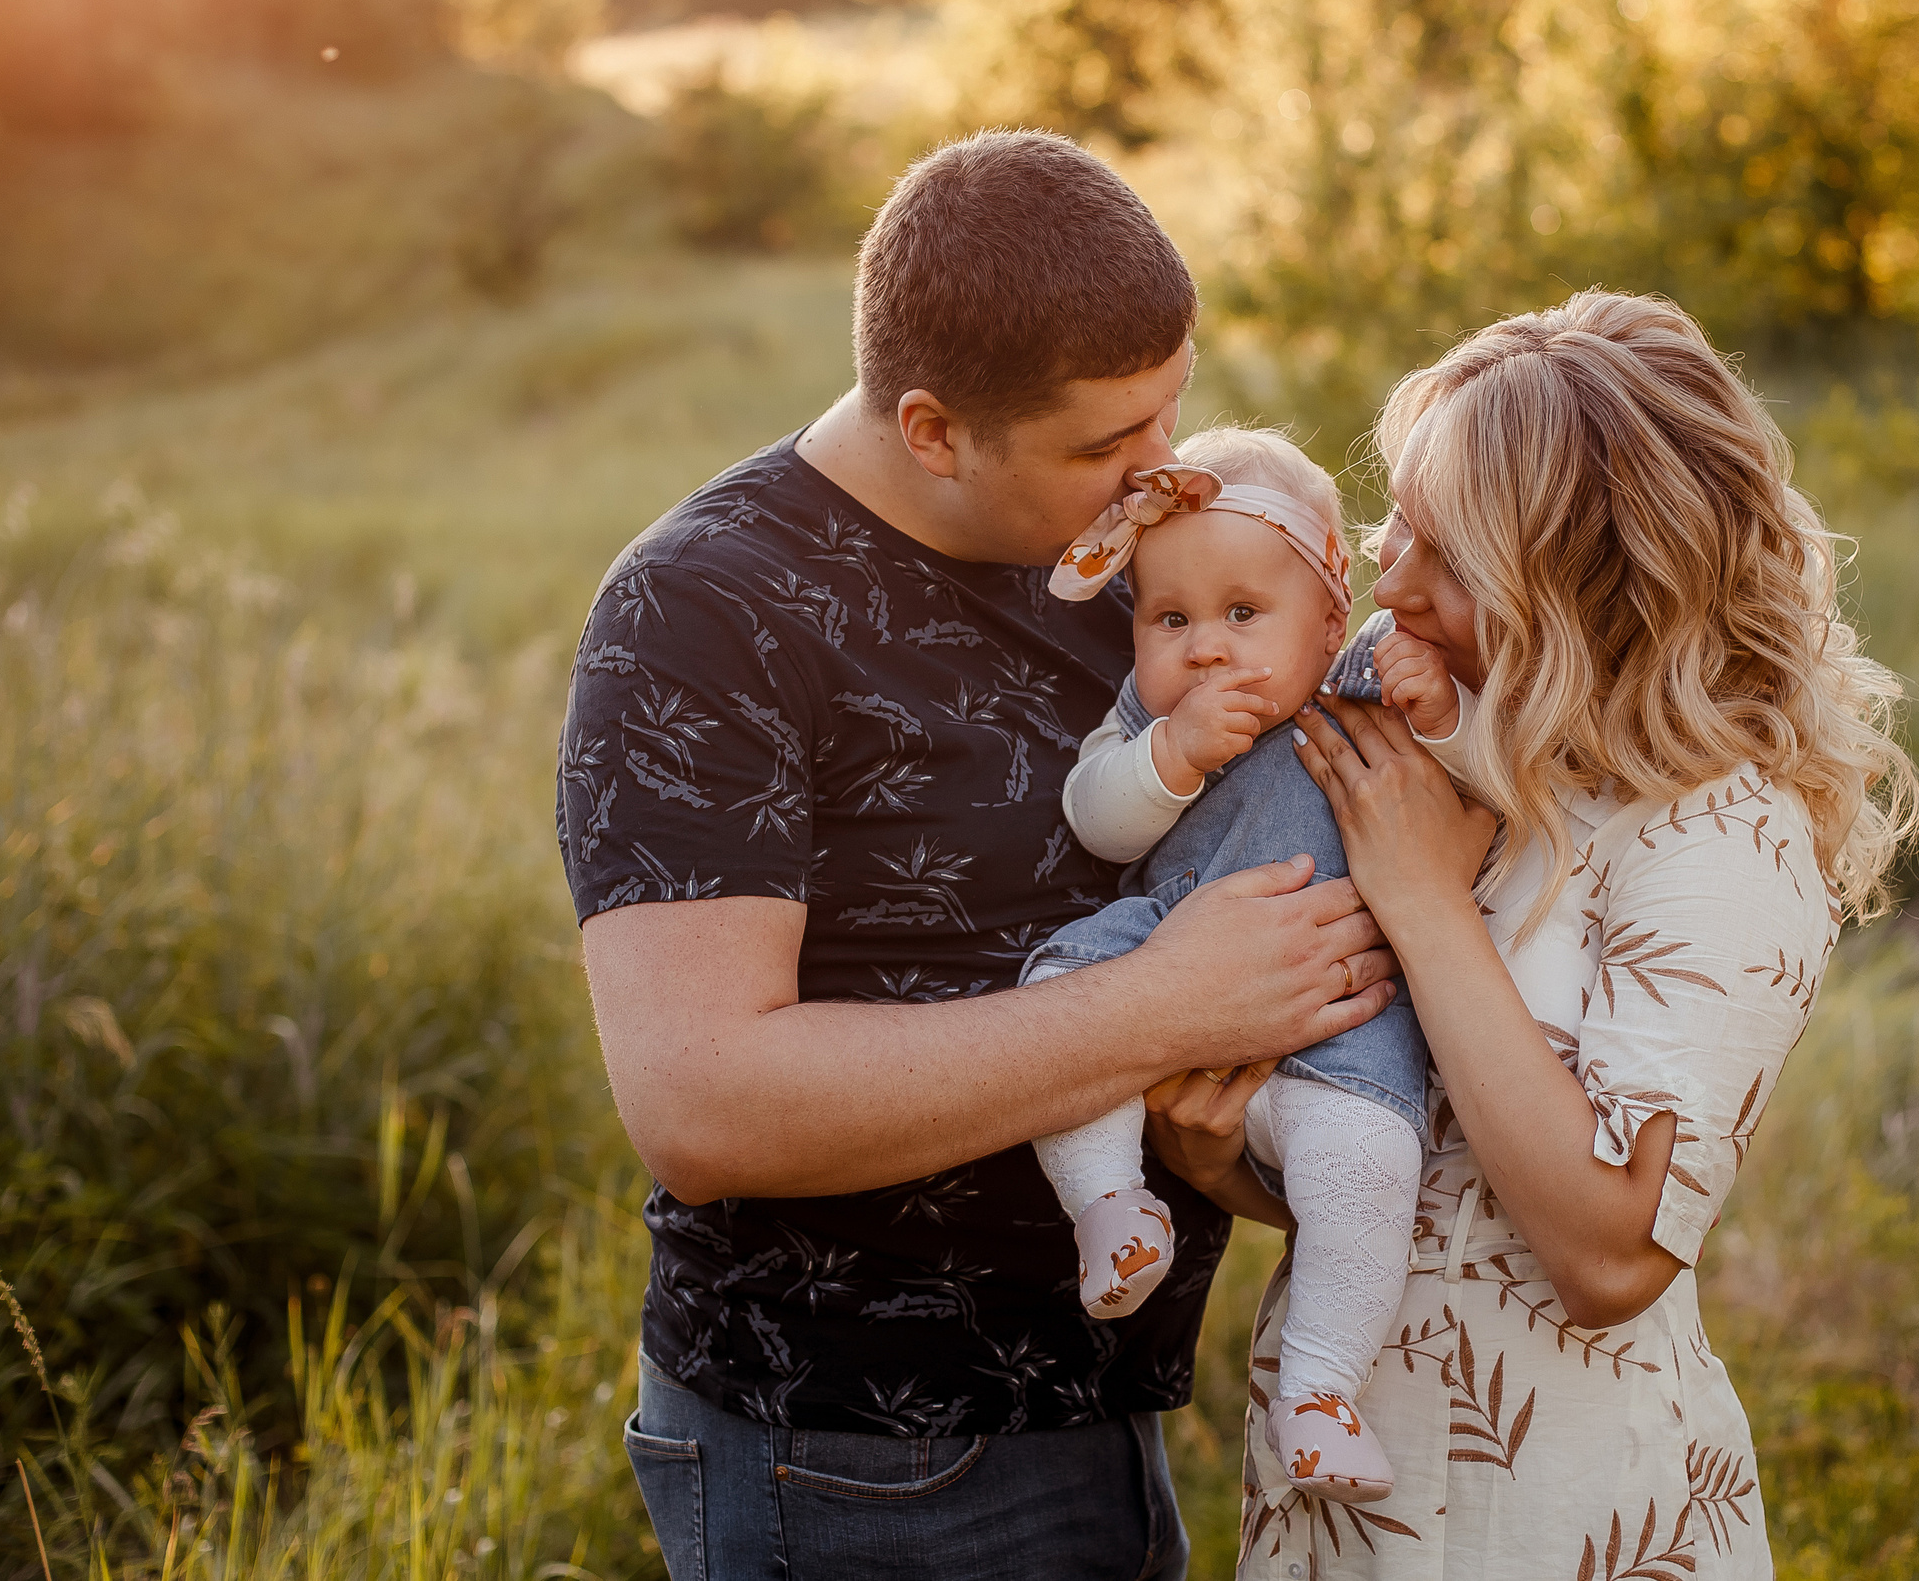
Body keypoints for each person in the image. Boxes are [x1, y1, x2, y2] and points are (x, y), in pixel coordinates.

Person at [556, 129, 1399, 1581]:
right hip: (853, 1456)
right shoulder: (705, 612)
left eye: (1171, 416)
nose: (1163, 480)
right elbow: (703, 1101)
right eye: (1105, 446)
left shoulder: (1131, 557)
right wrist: (1165, 1007)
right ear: (936, 428)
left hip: (1104, 1406)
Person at [1144, 290, 1919, 1577]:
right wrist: (1216, 1152)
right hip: (1343, 1511)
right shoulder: (1455, 745)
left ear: (1585, 584)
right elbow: (1414, 1176)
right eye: (1399, 520)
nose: (1388, 579)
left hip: (1558, 1523)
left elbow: (1610, 1253)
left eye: (1447, 557)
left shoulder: (1721, 835)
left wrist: (1422, 901)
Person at [1022, 427, 1465, 1505]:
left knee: (1371, 1168)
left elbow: (1480, 779)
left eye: (1241, 614)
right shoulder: (1150, 715)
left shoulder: (1363, 676)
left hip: (1338, 1022)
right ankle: (1110, 1205)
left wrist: (1441, 706)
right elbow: (1096, 823)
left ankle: (1319, 1392)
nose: (1206, 649)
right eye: (1170, 619)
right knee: (1058, 1007)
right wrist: (1167, 759)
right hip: (1171, 948)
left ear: (1328, 614)